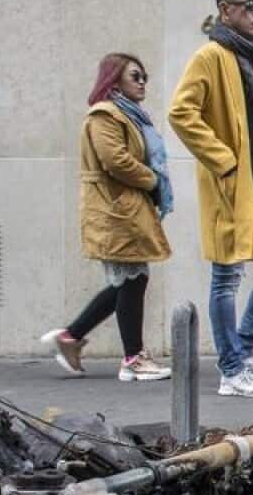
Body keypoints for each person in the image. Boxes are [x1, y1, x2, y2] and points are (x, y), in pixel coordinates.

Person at [170, 0, 253, 398]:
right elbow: (181, 112)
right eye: (250, 7)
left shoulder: (252, 58)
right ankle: (230, 371)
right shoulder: (211, 56)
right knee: (226, 277)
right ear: (226, 10)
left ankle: (243, 355)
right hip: (233, 186)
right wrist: (223, 161)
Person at [41, 53, 174, 381]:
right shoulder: (105, 115)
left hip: (124, 208)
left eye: (145, 76)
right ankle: (132, 359)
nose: (143, 82)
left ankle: (71, 336)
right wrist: (153, 179)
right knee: (131, 279)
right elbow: (115, 160)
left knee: (129, 280)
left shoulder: (129, 115)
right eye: (135, 76)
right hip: (114, 209)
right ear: (114, 80)